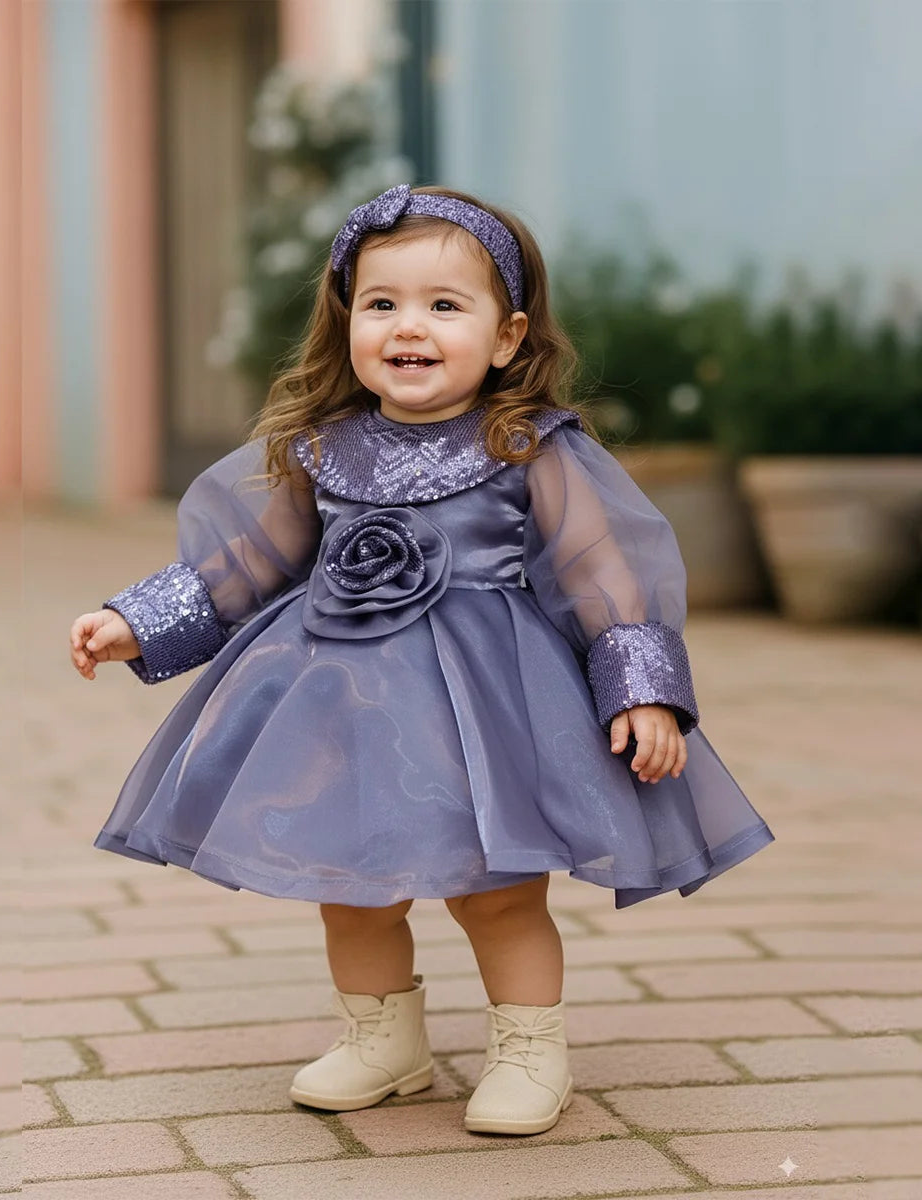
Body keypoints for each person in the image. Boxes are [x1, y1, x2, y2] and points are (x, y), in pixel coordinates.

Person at [69, 184, 774, 1137]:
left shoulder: (525, 444)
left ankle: (530, 1049)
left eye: (446, 306)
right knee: (353, 890)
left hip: (488, 706)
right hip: (341, 698)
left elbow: (602, 570)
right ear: (346, 319)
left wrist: (641, 691)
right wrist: (138, 623)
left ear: (508, 334)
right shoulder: (321, 449)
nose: (411, 327)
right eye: (382, 304)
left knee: (497, 890)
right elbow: (254, 559)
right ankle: (382, 1040)